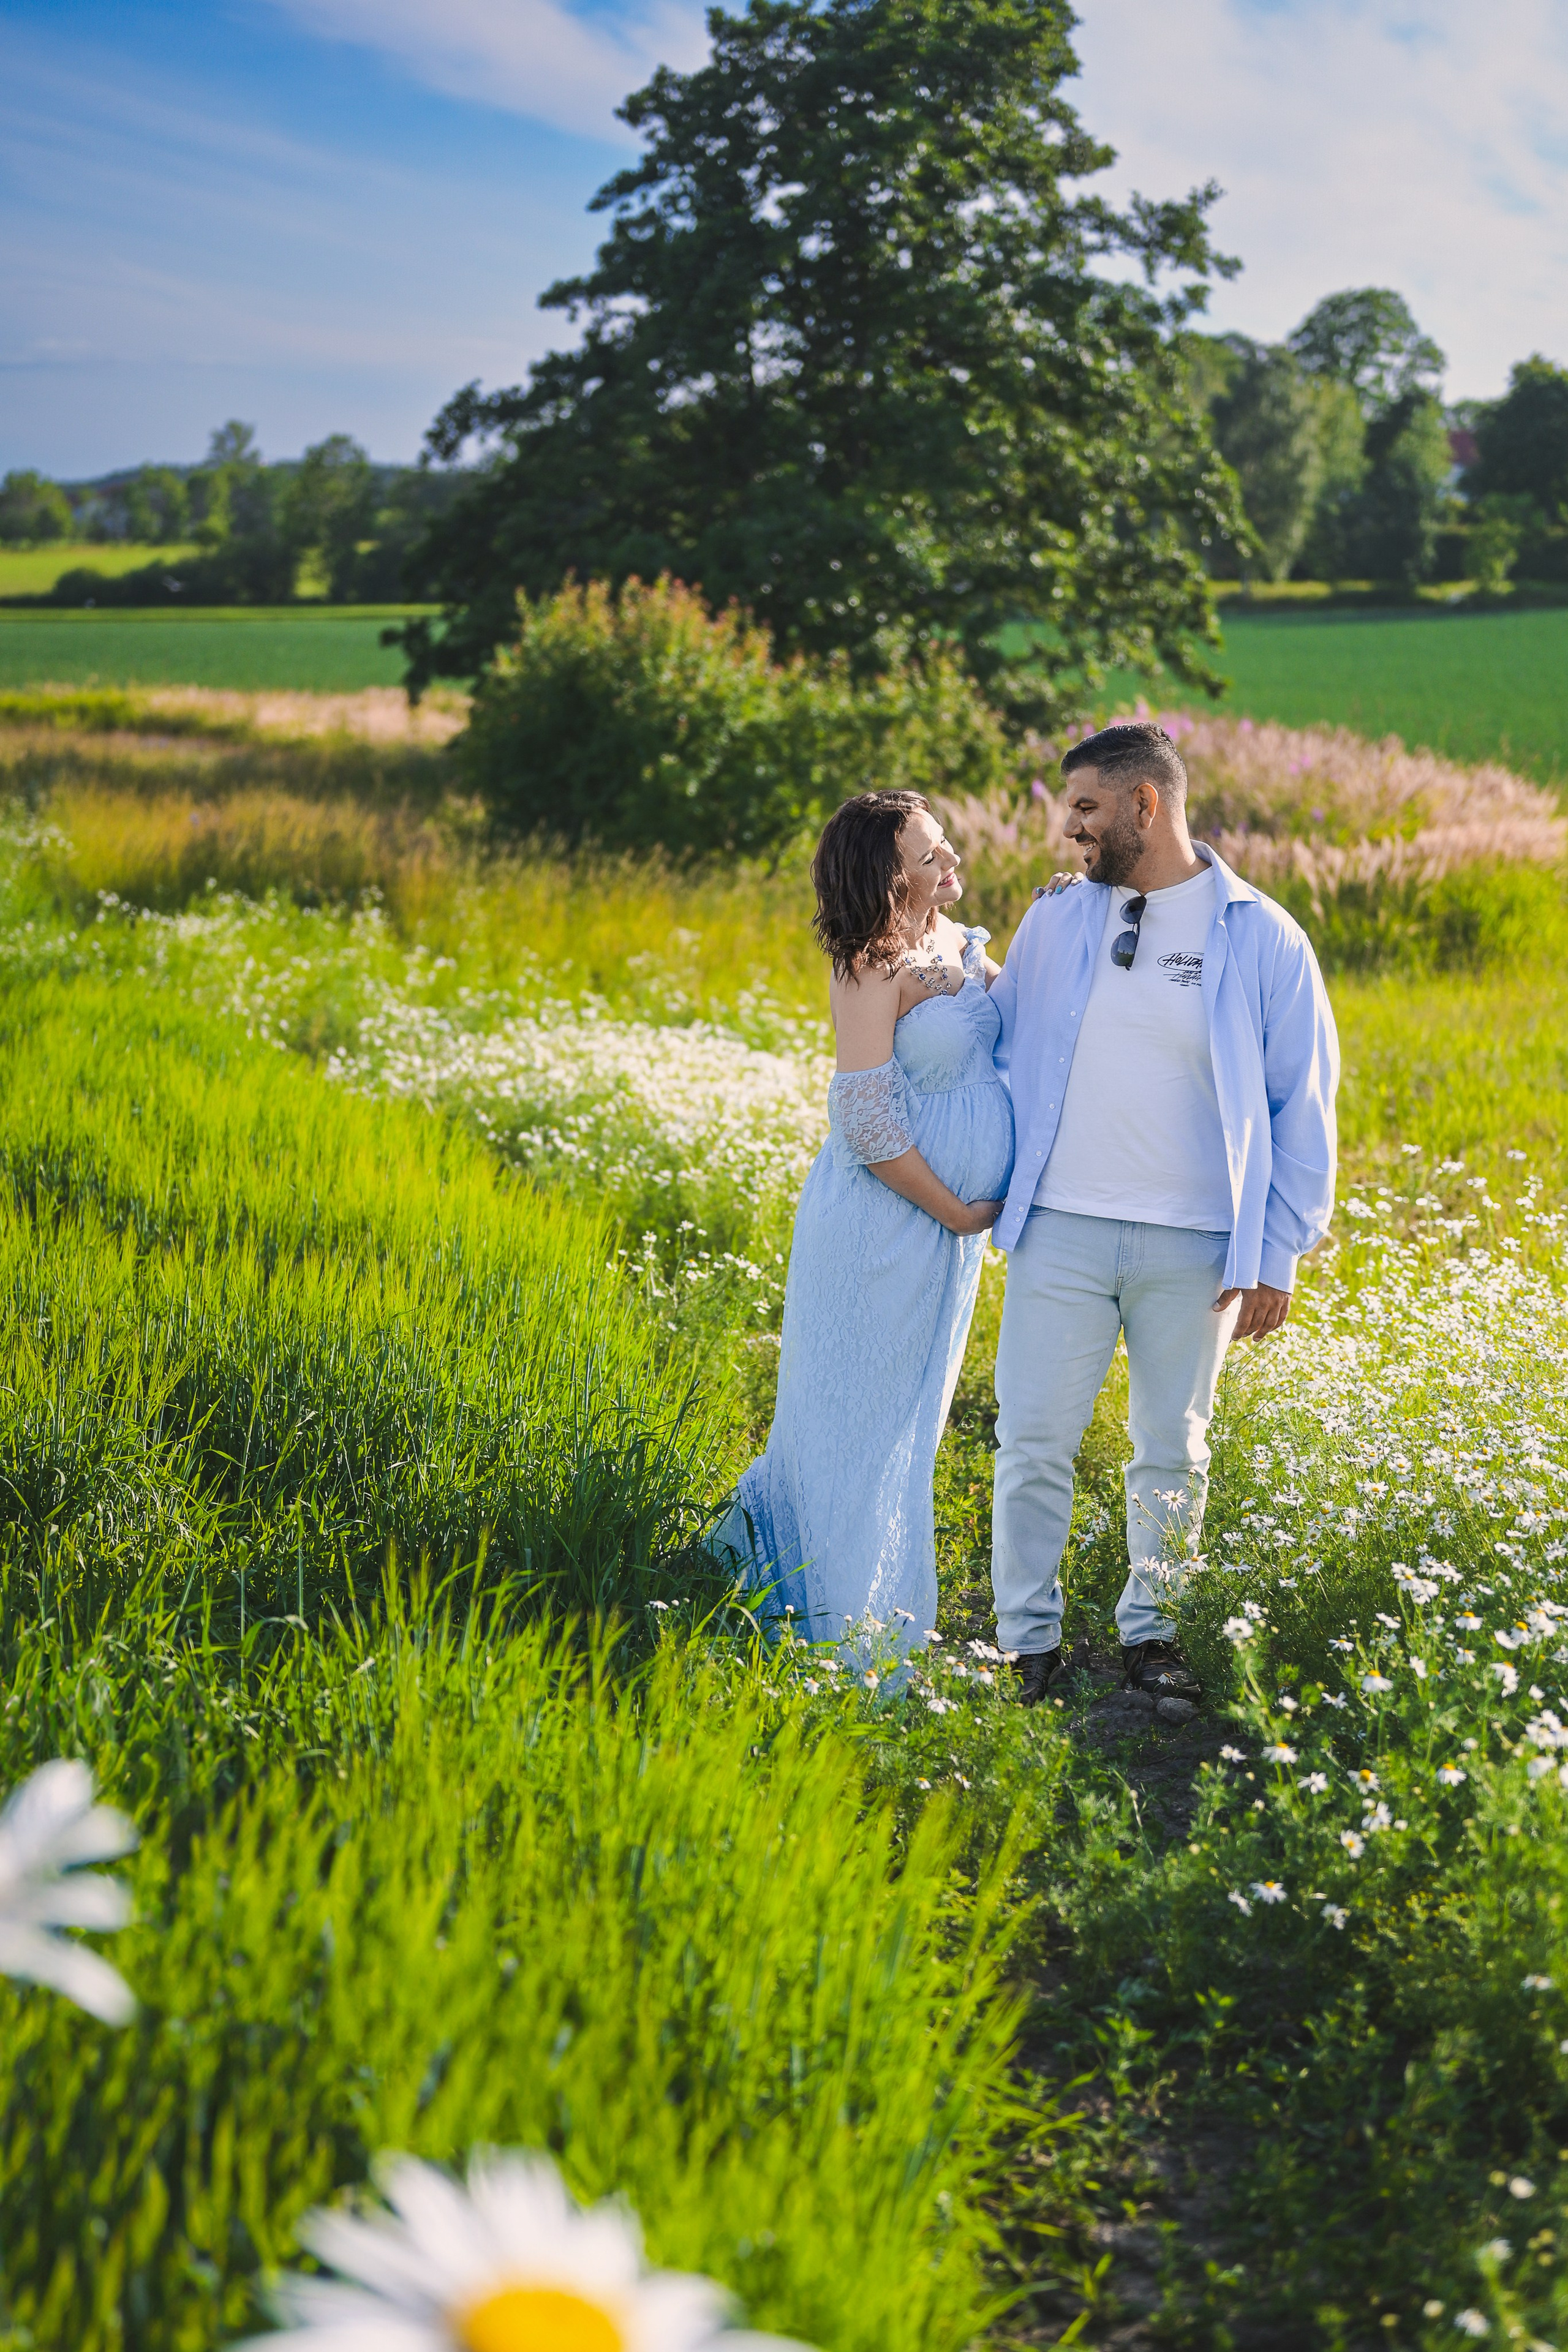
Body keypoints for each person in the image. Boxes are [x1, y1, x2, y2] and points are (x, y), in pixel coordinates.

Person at [987, 723, 1339, 1703]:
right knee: (1032, 1441)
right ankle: (1027, 1642)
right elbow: (998, 1035)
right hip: (1058, 1227)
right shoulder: (1055, 920)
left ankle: (1155, 1635)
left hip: (1196, 1247)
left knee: (1172, 1451)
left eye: (1089, 809)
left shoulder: (1260, 932)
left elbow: (1299, 1104)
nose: (1073, 831)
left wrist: (1278, 1253)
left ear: (1148, 805)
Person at [713, 790, 1014, 1648]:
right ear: (889, 879)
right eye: (930, 858)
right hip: (880, 1228)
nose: (951, 863)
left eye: (945, 845)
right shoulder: (868, 966)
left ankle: (878, 1610)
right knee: (849, 1422)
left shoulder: (961, 942)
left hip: (945, 1237)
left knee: (910, 1423)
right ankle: (827, 1626)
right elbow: (867, 1121)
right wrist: (958, 1209)